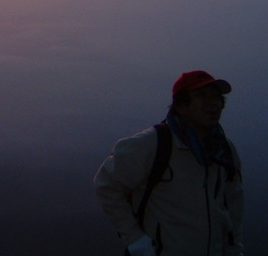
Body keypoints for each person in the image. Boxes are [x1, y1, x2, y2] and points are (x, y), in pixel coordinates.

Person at [94, 70, 243, 256]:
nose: (213, 103)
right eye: (201, 96)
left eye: (216, 97)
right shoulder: (152, 145)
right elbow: (107, 186)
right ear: (181, 106)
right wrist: (135, 240)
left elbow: (233, 206)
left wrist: (233, 249)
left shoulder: (224, 151)